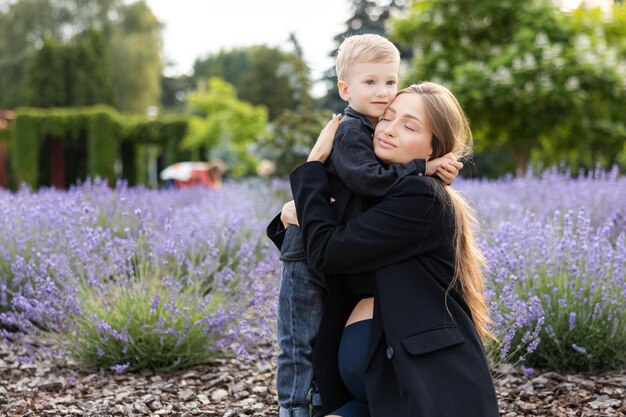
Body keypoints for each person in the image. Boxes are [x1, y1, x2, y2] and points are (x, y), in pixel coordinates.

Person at [277, 82, 500, 417]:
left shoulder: (422, 197)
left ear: (432, 151)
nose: (389, 130)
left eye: (409, 126)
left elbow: (328, 250)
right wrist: (289, 214)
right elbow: (322, 249)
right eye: (387, 118)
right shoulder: (381, 192)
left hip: (419, 396)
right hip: (371, 397)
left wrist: (314, 165)